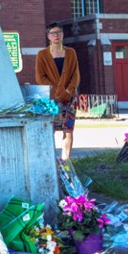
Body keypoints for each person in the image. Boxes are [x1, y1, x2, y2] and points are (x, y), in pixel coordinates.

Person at [35, 22, 80, 161]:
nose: (56, 35)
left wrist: (68, 89)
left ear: (63, 34)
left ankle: (65, 160)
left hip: (70, 97)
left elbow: (75, 74)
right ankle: (49, 160)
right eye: (53, 33)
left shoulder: (71, 52)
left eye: (59, 32)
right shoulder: (42, 55)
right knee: (51, 129)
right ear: (48, 36)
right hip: (52, 100)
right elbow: (40, 77)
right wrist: (57, 90)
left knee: (68, 130)